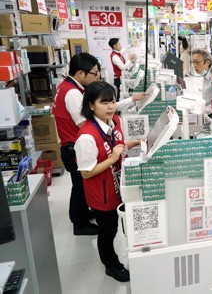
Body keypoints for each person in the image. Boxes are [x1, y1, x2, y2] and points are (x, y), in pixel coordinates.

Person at [53, 53, 146, 236]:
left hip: (76, 146)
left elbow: (102, 110)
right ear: (80, 73)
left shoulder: (68, 87)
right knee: (81, 188)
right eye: (94, 74)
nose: (96, 77)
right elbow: (86, 125)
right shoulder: (74, 96)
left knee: (81, 188)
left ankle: (86, 215)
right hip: (75, 147)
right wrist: (112, 155)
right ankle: (80, 223)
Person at [75, 81, 140, 282]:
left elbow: (118, 146)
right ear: (91, 105)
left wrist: (138, 142)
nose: (111, 106)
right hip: (101, 194)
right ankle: (111, 265)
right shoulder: (87, 136)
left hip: (115, 186)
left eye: (112, 101)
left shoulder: (114, 123)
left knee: (115, 226)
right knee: (107, 231)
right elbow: (86, 173)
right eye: (104, 103)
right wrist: (111, 159)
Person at [191, 48, 212, 116]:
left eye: (197, 62)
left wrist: (198, 110)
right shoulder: (204, 75)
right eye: (193, 62)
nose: (194, 65)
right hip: (204, 113)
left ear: (208, 62)